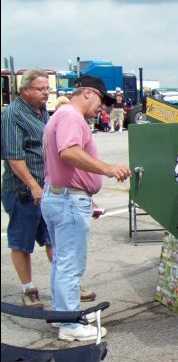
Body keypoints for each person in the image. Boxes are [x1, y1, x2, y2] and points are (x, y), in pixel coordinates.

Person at [41, 75, 131, 341]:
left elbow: (63, 162)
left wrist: (85, 190)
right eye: (100, 103)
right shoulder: (71, 116)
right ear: (88, 93)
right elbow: (68, 151)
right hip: (67, 200)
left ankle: (63, 314)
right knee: (70, 263)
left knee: (62, 261)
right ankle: (69, 324)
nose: (101, 109)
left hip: (61, 195)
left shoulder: (60, 114)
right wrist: (107, 168)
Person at [1, 69, 53, 308]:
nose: (46, 93)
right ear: (25, 90)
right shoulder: (12, 116)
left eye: (47, 88)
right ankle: (28, 289)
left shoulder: (41, 112)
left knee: (53, 238)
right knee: (22, 243)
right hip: (23, 191)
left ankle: (64, 283)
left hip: (45, 189)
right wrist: (33, 186)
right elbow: (14, 157)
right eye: (41, 89)